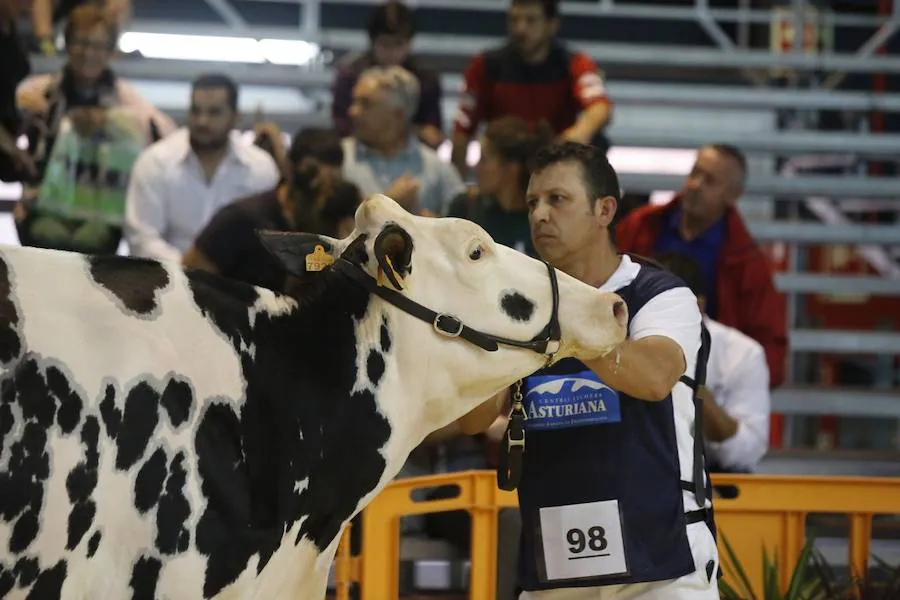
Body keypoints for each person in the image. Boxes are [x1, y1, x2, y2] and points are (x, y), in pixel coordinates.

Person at [452, 141, 719, 599]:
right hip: (557, 556)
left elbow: (654, 379)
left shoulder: (659, 294)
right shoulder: (520, 307)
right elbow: (474, 419)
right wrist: (486, 340)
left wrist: (565, 324)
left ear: (604, 210)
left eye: (558, 199)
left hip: (663, 559)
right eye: (533, 202)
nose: (539, 215)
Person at [615, 143, 788, 388]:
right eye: (695, 173)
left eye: (710, 181)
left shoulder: (747, 264)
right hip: (630, 363)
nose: (696, 185)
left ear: (733, 195)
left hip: (702, 380)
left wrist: (732, 387)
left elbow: (770, 351)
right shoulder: (641, 226)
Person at [124, 73, 280, 262]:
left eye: (214, 112)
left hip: (239, 286)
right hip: (169, 283)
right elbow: (142, 240)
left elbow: (268, 242)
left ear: (235, 117)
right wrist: (192, 271)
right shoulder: (155, 162)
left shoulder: (260, 169)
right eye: (195, 111)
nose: (202, 121)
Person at [182, 127, 361, 292]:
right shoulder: (242, 219)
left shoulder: (336, 223)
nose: (320, 196)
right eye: (311, 178)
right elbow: (189, 281)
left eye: (331, 186)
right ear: (290, 170)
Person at [450, 0, 612, 178]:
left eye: (530, 20)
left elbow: (600, 107)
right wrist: (457, 186)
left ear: (552, 25)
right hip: (505, 170)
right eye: (515, 20)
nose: (521, 28)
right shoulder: (484, 66)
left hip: (555, 164)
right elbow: (462, 131)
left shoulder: (575, 63)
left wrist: (576, 135)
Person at [656, 252, 771, 474]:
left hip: (716, 476)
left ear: (698, 305)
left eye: (662, 306)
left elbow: (747, 453)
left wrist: (689, 383)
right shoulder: (624, 345)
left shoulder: (742, 354)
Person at [341, 64, 464, 216]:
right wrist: (389, 205)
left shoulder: (438, 171)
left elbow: (464, 232)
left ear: (398, 115)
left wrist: (430, 225)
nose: (353, 111)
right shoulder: (338, 161)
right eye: (354, 101)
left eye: (366, 104)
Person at [330, 0, 443, 148]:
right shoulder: (351, 76)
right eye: (385, 44)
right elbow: (341, 127)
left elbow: (433, 134)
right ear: (372, 42)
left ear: (410, 43)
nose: (392, 53)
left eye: (398, 44)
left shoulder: (425, 81)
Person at [446, 116, 553, 258]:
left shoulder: (539, 221)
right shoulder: (466, 208)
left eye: (484, 160)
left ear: (511, 169)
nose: (477, 167)